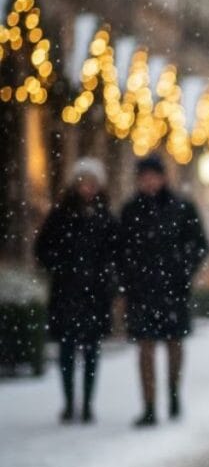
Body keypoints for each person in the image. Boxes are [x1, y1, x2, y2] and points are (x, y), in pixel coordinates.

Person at [120, 155, 208, 427]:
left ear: (162, 177)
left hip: (173, 289)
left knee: (174, 345)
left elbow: (199, 244)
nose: (148, 181)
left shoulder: (182, 208)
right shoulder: (131, 210)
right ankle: (148, 404)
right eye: (143, 176)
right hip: (142, 291)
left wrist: (183, 270)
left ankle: (173, 393)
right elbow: (121, 250)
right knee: (145, 349)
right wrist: (128, 279)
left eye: (152, 176)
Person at [34, 158, 119, 424]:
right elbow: (42, 249)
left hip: (94, 294)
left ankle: (87, 403)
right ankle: (70, 402)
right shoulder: (61, 215)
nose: (88, 187)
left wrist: (106, 278)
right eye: (83, 182)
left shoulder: (105, 217)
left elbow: (116, 253)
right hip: (66, 293)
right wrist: (62, 267)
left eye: (92, 182)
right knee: (68, 350)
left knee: (91, 351)